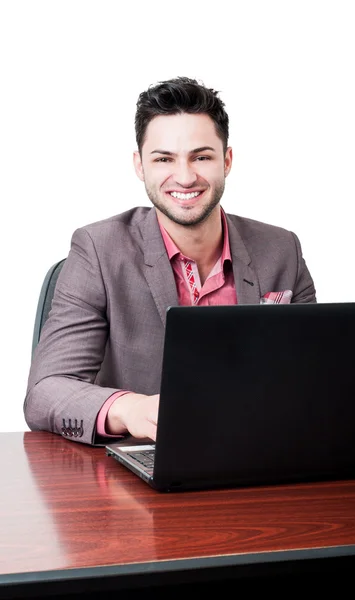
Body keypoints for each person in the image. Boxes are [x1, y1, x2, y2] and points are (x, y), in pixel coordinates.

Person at [24, 76, 317, 446]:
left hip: (258, 457)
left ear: (226, 160)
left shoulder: (281, 249)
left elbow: (311, 379)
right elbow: (46, 392)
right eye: (164, 159)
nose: (184, 176)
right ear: (140, 166)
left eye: (202, 156)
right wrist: (130, 410)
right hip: (143, 468)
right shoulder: (98, 249)